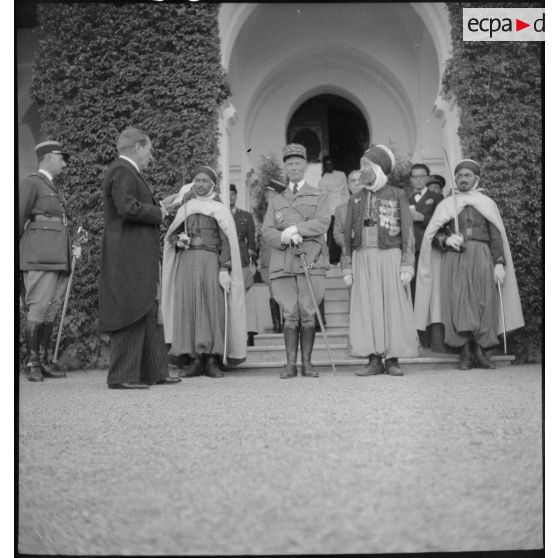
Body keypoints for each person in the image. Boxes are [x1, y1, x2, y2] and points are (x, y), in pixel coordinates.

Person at [414, 159, 524, 369]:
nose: (462, 179)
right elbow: (432, 234)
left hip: (482, 256)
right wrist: (446, 240)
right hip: (455, 258)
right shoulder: (446, 204)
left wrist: (499, 263)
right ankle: (465, 352)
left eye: (467, 176)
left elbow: (496, 236)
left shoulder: (486, 203)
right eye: (459, 176)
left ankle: (482, 352)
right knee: (458, 303)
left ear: (476, 179)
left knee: (484, 302)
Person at [99, 128, 181, 389]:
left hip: (135, 253)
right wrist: (159, 212)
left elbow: (133, 207)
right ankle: (122, 376)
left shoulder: (125, 171)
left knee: (147, 307)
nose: (151, 156)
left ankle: (154, 371)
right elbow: (128, 208)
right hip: (128, 255)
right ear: (137, 147)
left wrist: (161, 208)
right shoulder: (122, 170)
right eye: (149, 149)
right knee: (132, 308)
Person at [342, 144, 419, 377]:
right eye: (361, 165)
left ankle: (392, 359)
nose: (361, 169)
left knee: (392, 307)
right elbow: (346, 236)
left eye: (366, 165)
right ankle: (374, 359)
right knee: (367, 308)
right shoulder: (355, 199)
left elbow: (407, 229)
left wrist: (407, 263)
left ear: (378, 168)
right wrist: (347, 266)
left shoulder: (397, 194)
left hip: (391, 257)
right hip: (362, 257)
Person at [162, 166, 246, 377]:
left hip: (211, 261)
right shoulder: (186, 207)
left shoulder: (220, 209)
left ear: (212, 185)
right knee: (189, 307)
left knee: (212, 308)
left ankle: (212, 359)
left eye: (204, 181)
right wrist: (177, 241)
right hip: (187, 262)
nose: (200, 184)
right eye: (196, 180)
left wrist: (225, 268)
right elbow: (171, 234)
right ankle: (193, 359)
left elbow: (227, 240)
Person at [262, 143, 330, 378]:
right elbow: (266, 230)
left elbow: (323, 222)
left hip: (311, 260)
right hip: (283, 262)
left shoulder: (318, 194)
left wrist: (297, 228)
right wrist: (284, 235)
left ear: (306, 166)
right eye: (289, 163)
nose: (293, 167)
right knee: (290, 314)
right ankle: (291, 364)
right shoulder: (275, 199)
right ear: (285, 166)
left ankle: (308, 364)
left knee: (308, 313)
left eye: (298, 163)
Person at [19, 141, 81, 382]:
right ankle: (32, 362)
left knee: (50, 309)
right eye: (61, 157)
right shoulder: (31, 183)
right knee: (38, 308)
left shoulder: (53, 188)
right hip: (39, 257)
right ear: (47, 157)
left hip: (58, 257)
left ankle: (43, 360)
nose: (64, 163)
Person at [408, 163, 444, 304]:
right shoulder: (404, 198)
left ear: (427, 178)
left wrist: (423, 218)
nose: (418, 180)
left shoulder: (437, 197)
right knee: (413, 287)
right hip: (412, 249)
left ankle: (431, 323)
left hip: (430, 247)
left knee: (431, 286)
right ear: (411, 179)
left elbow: (443, 223)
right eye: (415, 177)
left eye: (421, 176)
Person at [229, 184, 259, 346]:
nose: (230, 197)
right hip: (227, 262)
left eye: (233, 194)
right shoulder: (220, 214)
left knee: (247, 299)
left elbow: (252, 242)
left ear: (236, 196)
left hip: (242, 260)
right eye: (228, 194)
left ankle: (250, 333)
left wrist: (251, 258)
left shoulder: (245, 216)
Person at [259, 179, 286, 334]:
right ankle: (277, 324)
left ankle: (283, 323)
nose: (267, 196)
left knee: (280, 292)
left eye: (270, 193)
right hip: (266, 259)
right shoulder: (268, 211)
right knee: (272, 291)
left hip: (277, 257)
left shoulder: (279, 211)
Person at [318, 156, 350, 265]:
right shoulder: (323, 180)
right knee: (333, 235)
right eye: (327, 164)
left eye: (331, 163)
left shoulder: (341, 175)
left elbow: (346, 190)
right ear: (325, 166)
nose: (329, 166)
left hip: (344, 207)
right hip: (331, 211)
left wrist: (349, 205)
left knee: (347, 232)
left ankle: (348, 257)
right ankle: (333, 259)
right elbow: (322, 198)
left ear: (333, 164)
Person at [333, 169, 363, 252]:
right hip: (350, 255)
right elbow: (337, 233)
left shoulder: (375, 205)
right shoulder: (340, 209)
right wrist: (347, 244)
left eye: (360, 180)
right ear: (348, 186)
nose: (357, 183)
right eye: (353, 181)